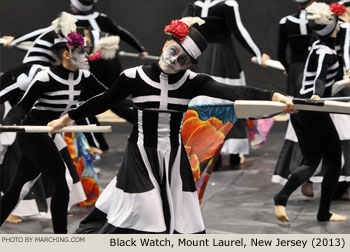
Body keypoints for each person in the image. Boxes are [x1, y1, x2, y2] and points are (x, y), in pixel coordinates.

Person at [48, 17, 295, 234]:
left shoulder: (192, 82)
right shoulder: (133, 76)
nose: (174, 60)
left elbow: (233, 91)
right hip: (140, 155)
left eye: (183, 60)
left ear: (189, 64)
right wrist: (66, 118)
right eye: (173, 51)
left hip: (174, 159)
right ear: (166, 45)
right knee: (147, 214)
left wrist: (275, 97)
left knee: (180, 219)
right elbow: (102, 101)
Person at [0, 29, 107, 233]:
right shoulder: (44, 77)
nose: (87, 56)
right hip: (33, 135)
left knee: (17, 187)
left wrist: (137, 103)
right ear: (67, 54)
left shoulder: (84, 76)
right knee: (61, 183)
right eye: (82, 52)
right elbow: (22, 107)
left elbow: (109, 95)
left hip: (49, 134)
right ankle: (61, 238)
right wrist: (6, 122)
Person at [273, 2, 348, 223]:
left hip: (299, 107)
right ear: (333, 26)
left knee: (311, 160)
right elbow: (320, 78)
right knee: (333, 160)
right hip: (312, 107)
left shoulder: (315, 46)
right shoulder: (325, 51)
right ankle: (324, 213)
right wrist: (317, 94)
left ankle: (281, 196)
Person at [182, 0, 271, 167]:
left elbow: (182, 31)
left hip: (200, 59)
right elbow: (239, 31)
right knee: (230, 102)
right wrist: (259, 54)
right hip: (223, 61)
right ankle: (233, 152)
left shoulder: (195, 5)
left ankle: (208, 151)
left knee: (203, 103)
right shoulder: (227, 4)